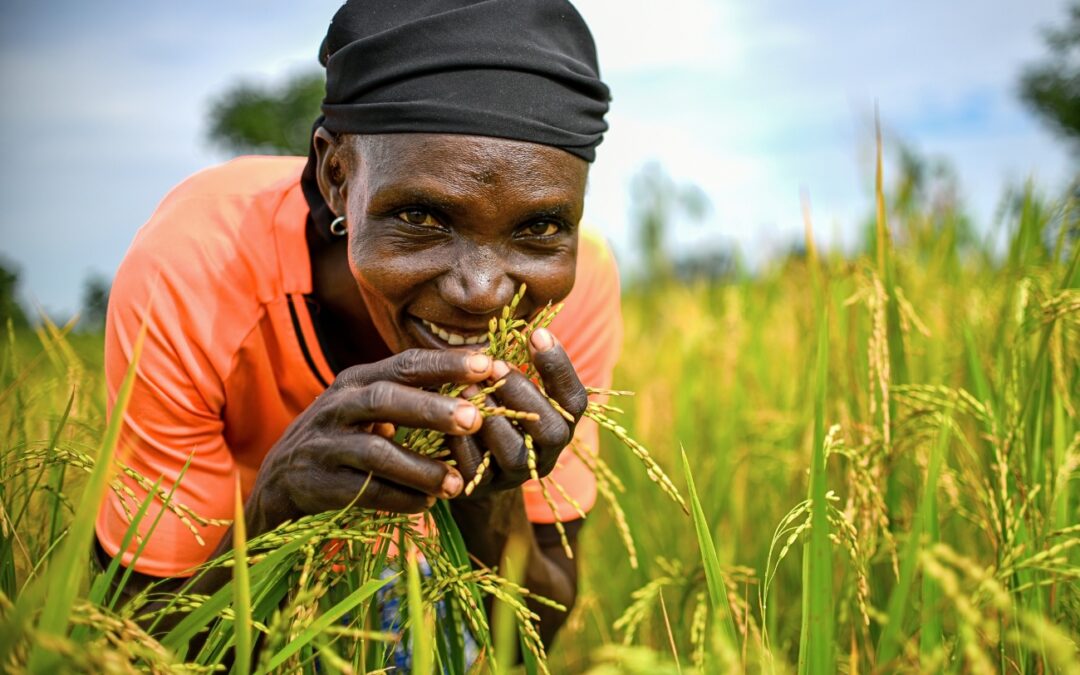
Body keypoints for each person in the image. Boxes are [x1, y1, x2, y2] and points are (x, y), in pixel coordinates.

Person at [94, 0, 621, 650]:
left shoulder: (572, 292)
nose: (483, 292)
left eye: (539, 226)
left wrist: (490, 494)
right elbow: (132, 639)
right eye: (423, 218)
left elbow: (526, 639)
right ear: (336, 175)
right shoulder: (197, 264)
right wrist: (277, 506)